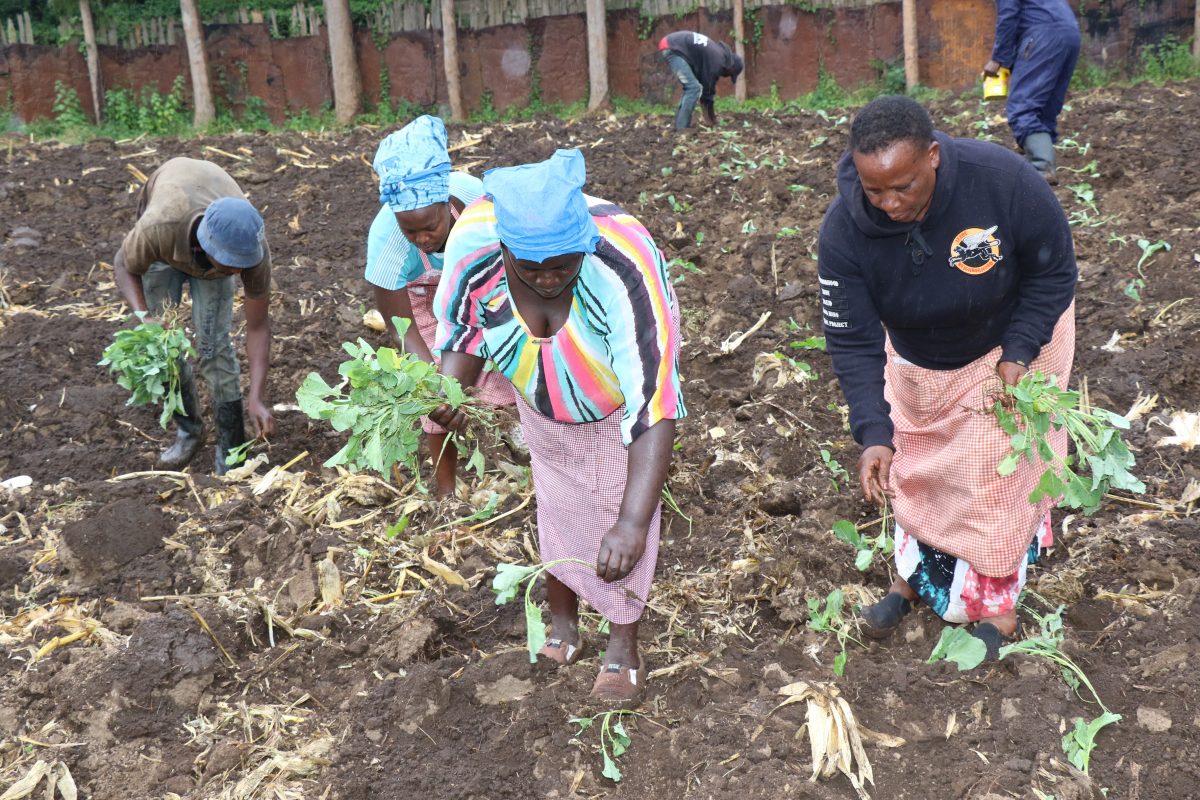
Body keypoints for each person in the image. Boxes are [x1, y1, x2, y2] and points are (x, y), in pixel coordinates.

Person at [817, 96, 1076, 659]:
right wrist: (873, 433)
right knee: (916, 466)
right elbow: (853, 340)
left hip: (1013, 340)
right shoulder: (843, 233)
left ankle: (996, 604)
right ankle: (913, 580)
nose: (888, 204)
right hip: (921, 355)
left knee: (996, 473)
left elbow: (1055, 268)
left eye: (903, 187)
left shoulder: (1000, 180)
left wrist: (1022, 346)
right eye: (874, 190)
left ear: (933, 155)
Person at [430, 150, 685, 703]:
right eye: (531, 267)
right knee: (555, 498)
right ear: (504, 250)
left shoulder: (624, 269)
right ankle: (564, 623)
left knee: (612, 513)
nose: (548, 279)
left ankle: (622, 643)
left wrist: (632, 522)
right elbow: (462, 331)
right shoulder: (474, 246)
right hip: (538, 386)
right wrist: (451, 395)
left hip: (613, 396)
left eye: (562, 265)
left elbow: (654, 405)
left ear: (583, 245)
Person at [366, 115, 516, 496]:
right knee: (436, 389)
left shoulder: (477, 203)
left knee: (509, 358)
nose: (421, 237)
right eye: (409, 230)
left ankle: (519, 439)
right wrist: (436, 389)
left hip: (480, 283)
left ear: (443, 200)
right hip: (419, 302)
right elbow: (403, 332)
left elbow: (500, 275)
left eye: (429, 226)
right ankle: (446, 489)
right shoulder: (387, 244)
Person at [112, 157, 274, 474]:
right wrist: (144, 317)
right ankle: (189, 432)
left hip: (205, 233)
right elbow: (123, 264)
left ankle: (231, 449)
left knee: (214, 346)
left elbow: (257, 327)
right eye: (230, 264)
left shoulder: (252, 250)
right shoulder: (159, 227)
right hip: (166, 248)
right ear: (206, 244)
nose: (238, 271)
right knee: (166, 344)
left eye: (242, 264)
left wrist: (256, 398)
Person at [982, 0, 1082, 183]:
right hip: (1070, 33)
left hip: (1043, 33)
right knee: (1044, 109)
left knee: (1023, 108)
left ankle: (1041, 168)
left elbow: (1009, 14)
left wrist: (998, 58)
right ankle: (1038, 161)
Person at [658, 31, 743, 131]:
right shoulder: (717, 62)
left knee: (691, 87)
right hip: (673, 48)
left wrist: (711, 118)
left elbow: (706, 91)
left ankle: (680, 124)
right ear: (731, 68)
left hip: (673, 44)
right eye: (729, 75)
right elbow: (707, 94)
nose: (724, 76)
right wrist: (712, 121)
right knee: (693, 88)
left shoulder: (717, 54)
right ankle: (681, 129)